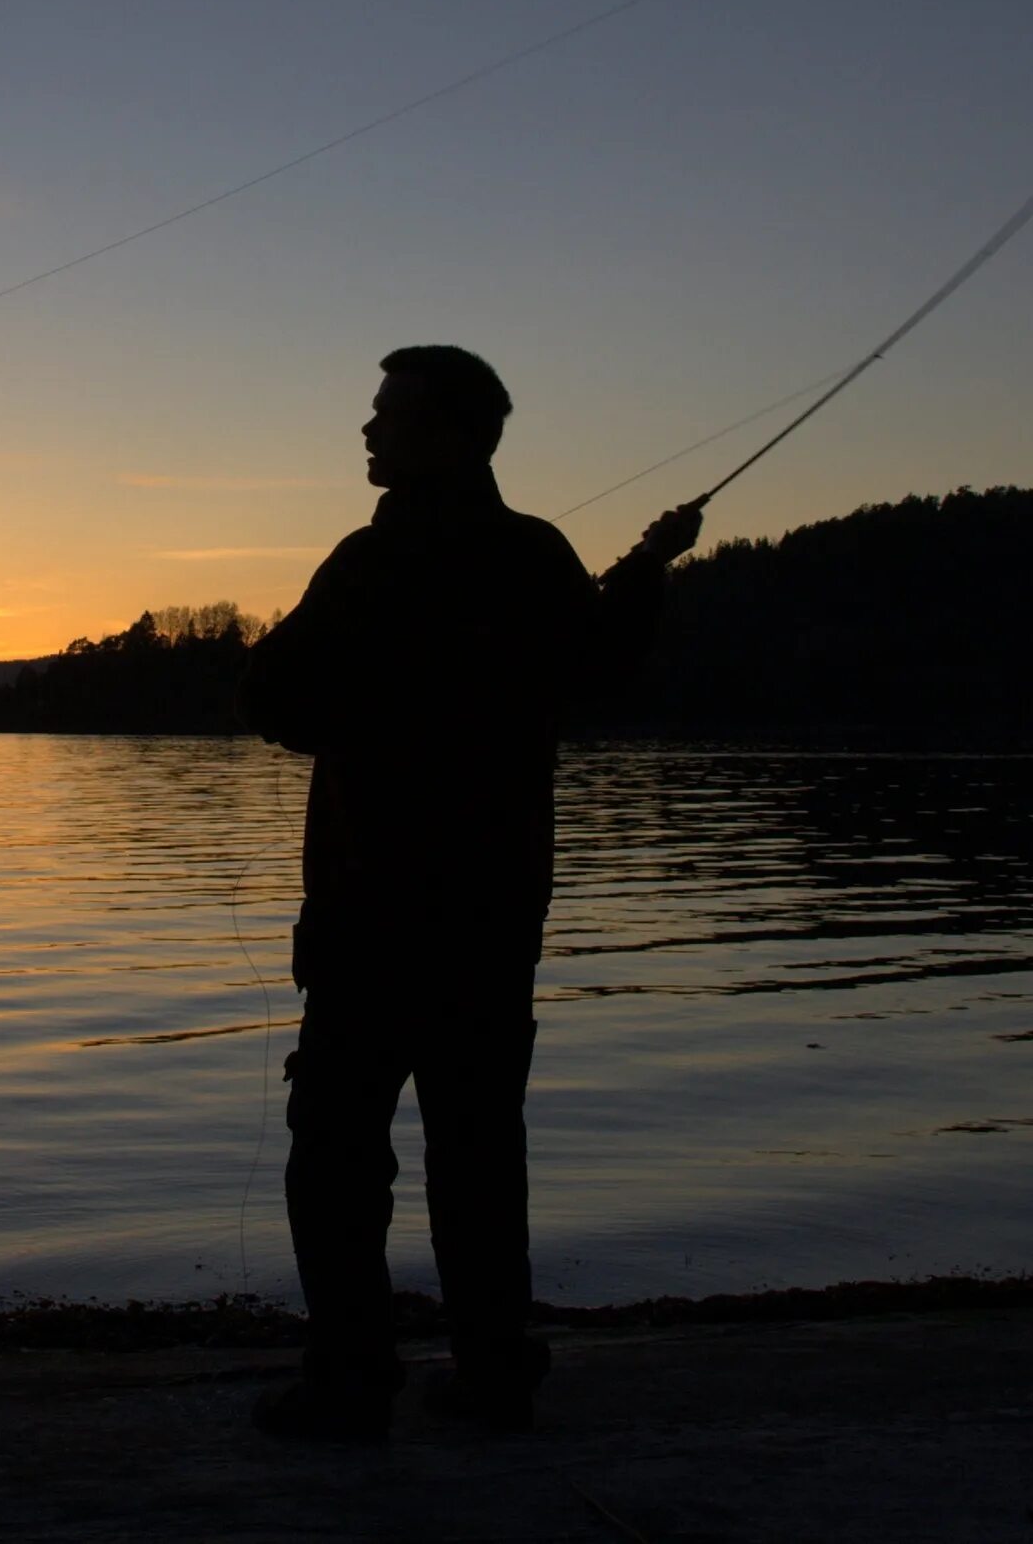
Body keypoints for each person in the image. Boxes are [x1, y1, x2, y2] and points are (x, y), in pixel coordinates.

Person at [240, 344, 702, 1440]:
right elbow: (596, 671)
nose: (367, 432)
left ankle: (351, 1385)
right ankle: (496, 1378)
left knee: (341, 1157)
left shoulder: (370, 561)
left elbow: (279, 701)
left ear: (444, 432)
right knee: (480, 1152)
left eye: (385, 414)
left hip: (371, 920)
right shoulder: (537, 556)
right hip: (495, 918)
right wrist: (644, 570)